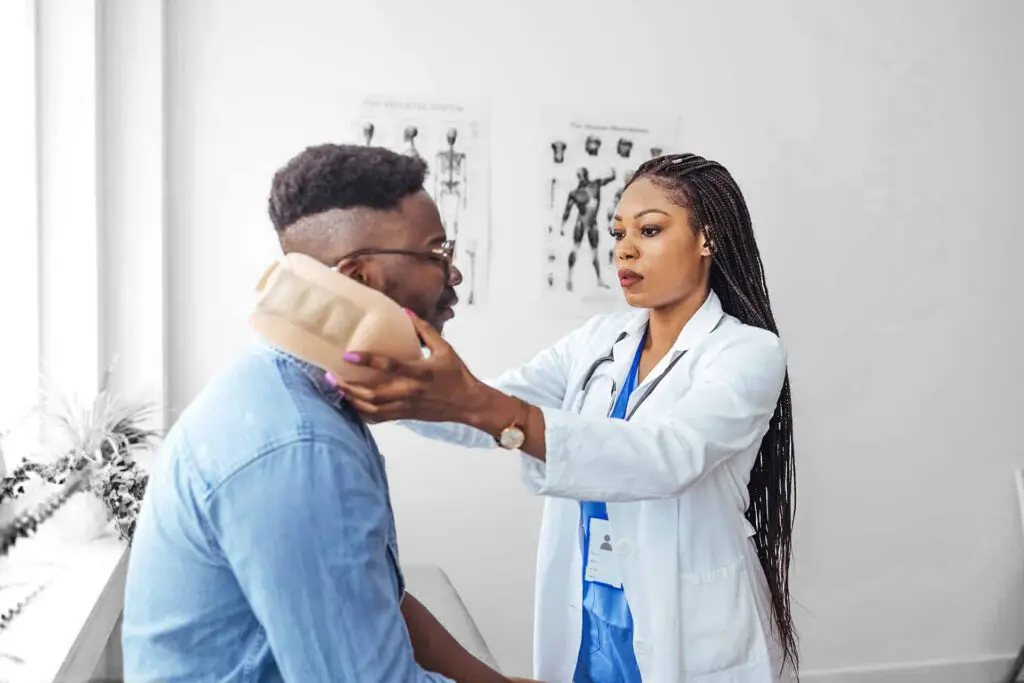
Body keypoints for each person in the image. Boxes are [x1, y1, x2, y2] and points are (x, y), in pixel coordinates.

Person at [330, 153, 799, 682]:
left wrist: (488, 408)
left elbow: (669, 457)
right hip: (589, 610)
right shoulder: (599, 341)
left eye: (649, 230)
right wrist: (383, 375)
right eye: (618, 231)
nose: (624, 248)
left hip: (686, 626)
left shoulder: (748, 352)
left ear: (706, 239)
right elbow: (481, 406)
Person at [121, 144, 533, 683]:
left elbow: (371, 601)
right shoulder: (299, 445)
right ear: (359, 278)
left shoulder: (293, 392)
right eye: (436, 253)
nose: (452, 275)